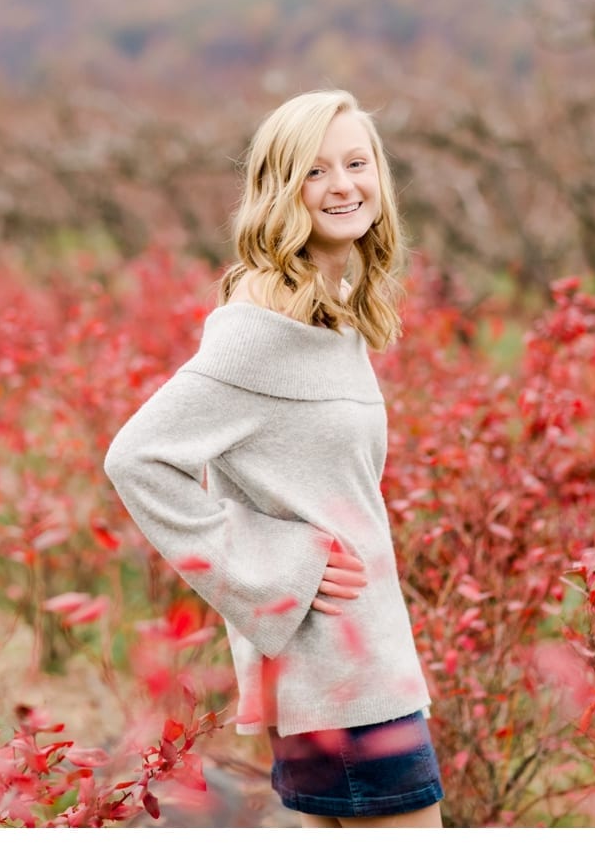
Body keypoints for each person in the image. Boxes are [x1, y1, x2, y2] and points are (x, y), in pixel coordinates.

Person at [103, 89, 444, 828]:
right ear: (281, 190)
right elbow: (136, 459)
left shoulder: (334, 314)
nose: (344, 184)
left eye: (358, 163)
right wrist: (286, 565)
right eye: (317, 172)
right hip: (339, 674)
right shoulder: (259, 329)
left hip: (357, 662)